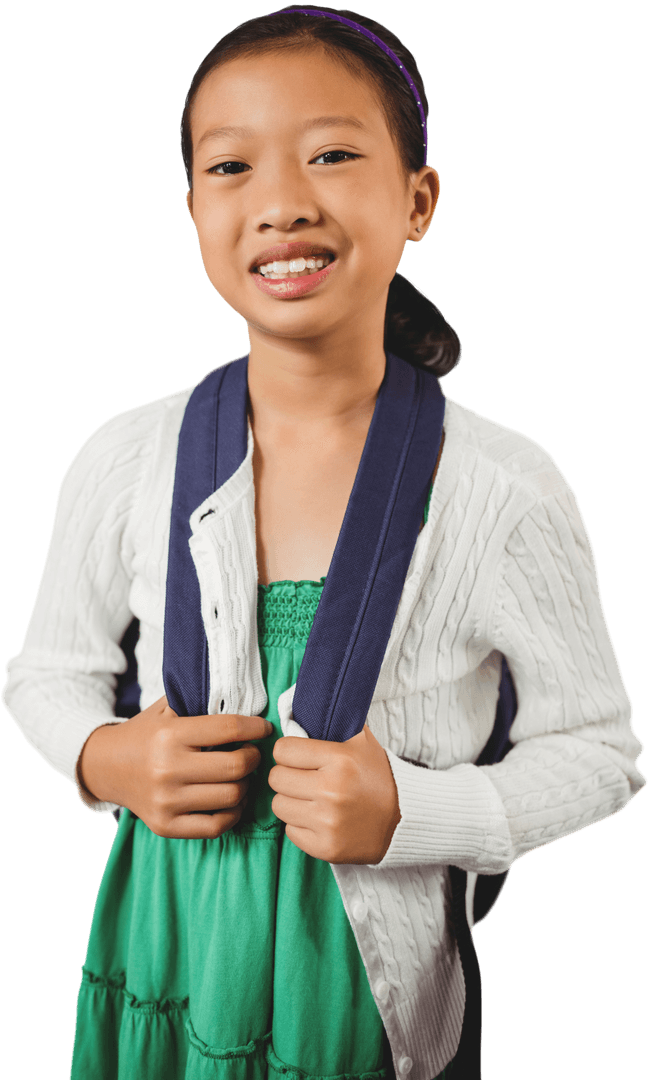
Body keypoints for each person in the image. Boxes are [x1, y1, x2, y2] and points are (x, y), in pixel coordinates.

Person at [2, 6, 645, 1079]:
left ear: (418, 199)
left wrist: (417, 808)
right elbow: (45, 675)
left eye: (334, 154)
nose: (282, 204)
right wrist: (110, 756)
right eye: (231, 167)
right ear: (195, 209)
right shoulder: (126, 455)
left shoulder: (503, 487)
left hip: (359, 990)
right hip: (161, 954)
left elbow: (601, 752)